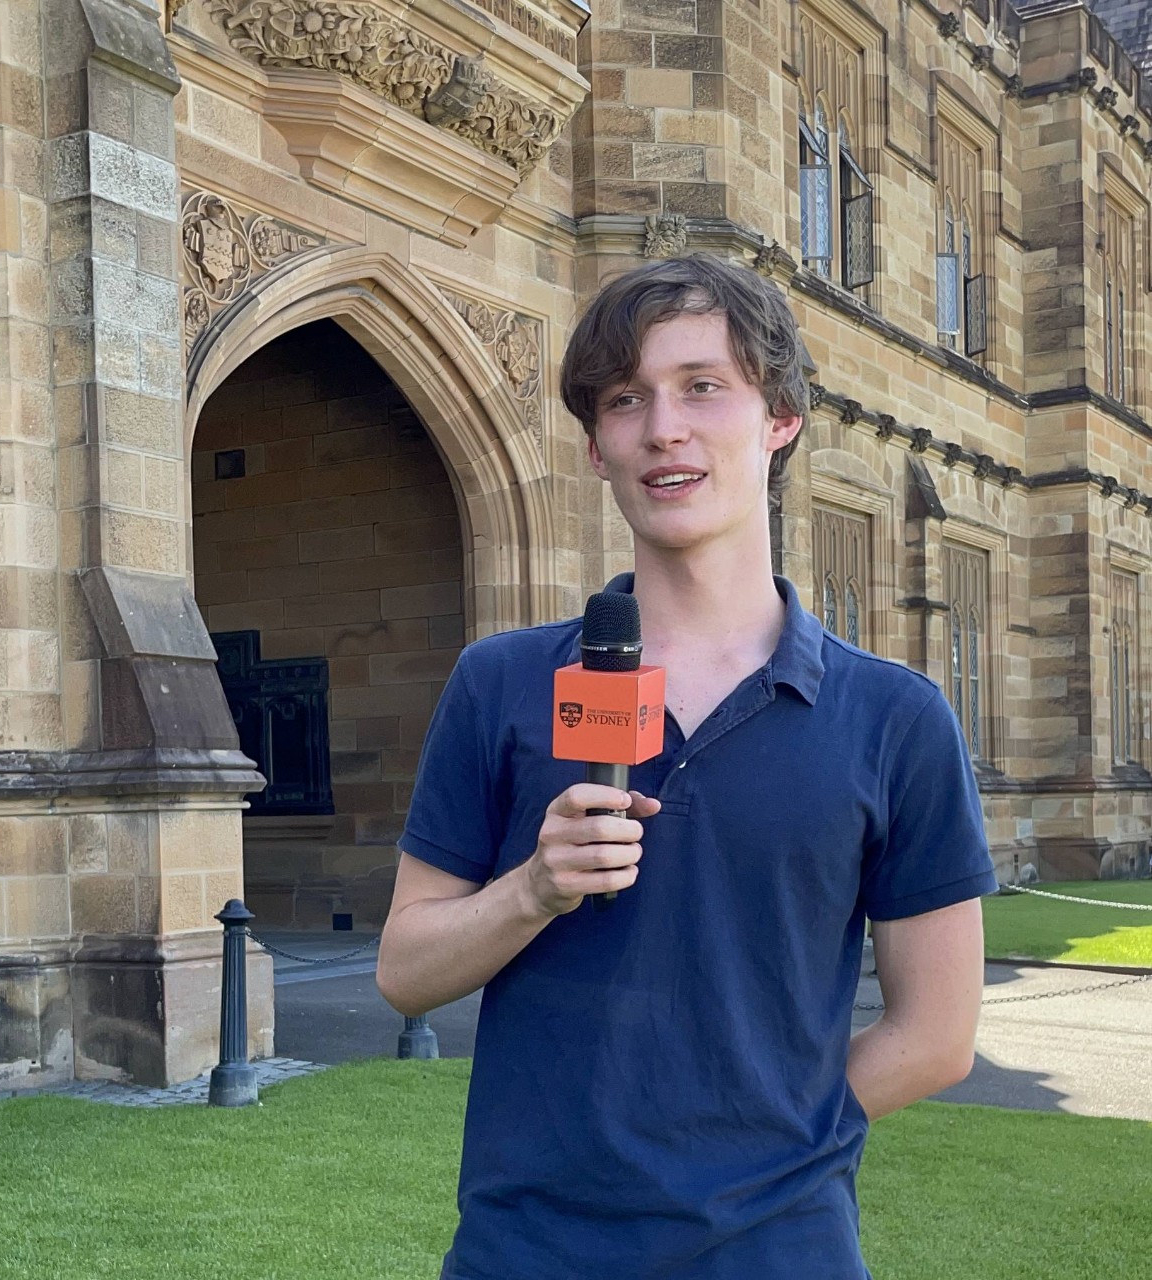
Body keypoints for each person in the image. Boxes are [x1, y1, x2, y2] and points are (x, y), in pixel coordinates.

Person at [377, 254, 997, 1279]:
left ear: (780, 418)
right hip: (528, 1248)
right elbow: (404, 970)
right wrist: (533, 888)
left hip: (781, 1249)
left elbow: (938, 1033)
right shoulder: (500, 682)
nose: (664, 426)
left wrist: (767, 1141)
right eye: (627, 400)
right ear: (597, 447)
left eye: (703, 385)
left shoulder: (895, 718)